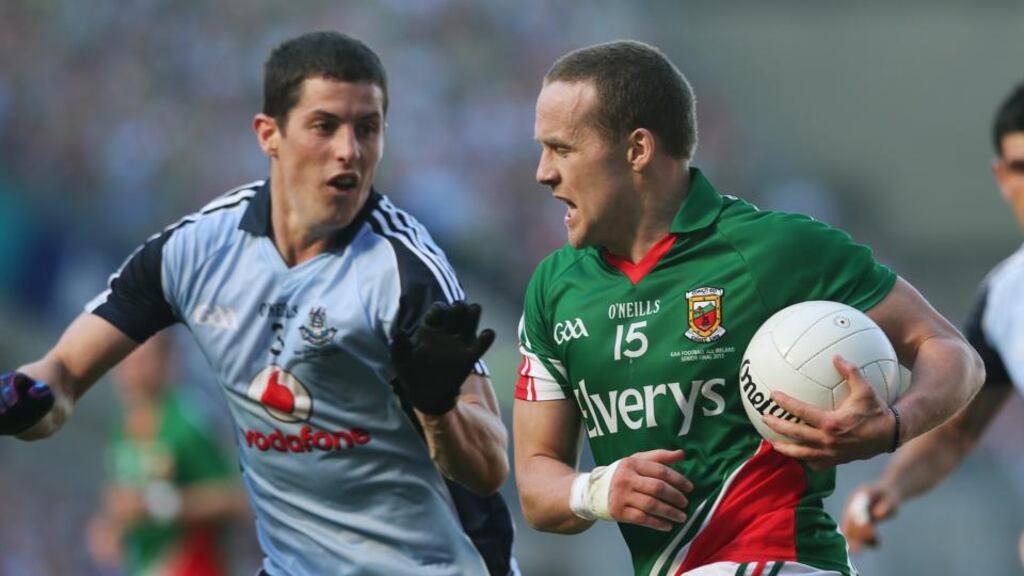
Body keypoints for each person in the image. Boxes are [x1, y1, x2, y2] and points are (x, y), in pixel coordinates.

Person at [0, 31, 514, 576]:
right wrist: (25, 397)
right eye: (325, 126)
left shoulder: (405, 269)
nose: (350, 150)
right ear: (269, 134)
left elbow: (488, 468)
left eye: (368, 128)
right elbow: (61, 375)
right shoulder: (196, 251)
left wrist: (439, 410)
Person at [512, 40, 985, 576]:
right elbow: (536, 484)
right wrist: (596, 489)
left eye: (562, 149)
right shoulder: (554, 289)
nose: (543, 173)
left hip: (781, 562)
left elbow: (950, 352)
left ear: (637, 150)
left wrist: (895, 424)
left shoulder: (777, 250)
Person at [840, 81, 1024, 562]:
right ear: (1001, 176)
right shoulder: (1006, 296)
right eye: (1023, 168)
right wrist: (890, 489)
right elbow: (956, 432)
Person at [86, 332, 250, 576]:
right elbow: (129, 498)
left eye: (143, 359)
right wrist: (111, 527)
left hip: (192, 566)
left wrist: (159, 506)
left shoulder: (188, 423)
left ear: (167, 362)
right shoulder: (123, 426)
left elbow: (236, 498)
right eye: (124, 359)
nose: (131, 369)